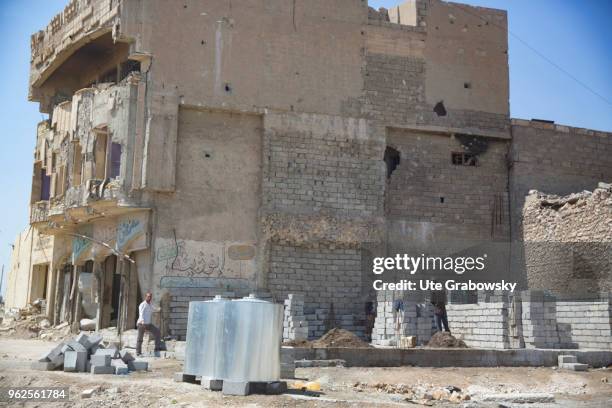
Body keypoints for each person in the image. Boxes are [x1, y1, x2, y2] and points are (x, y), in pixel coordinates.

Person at [136, 292, 162, 356]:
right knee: (140, 339)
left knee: (157, 332)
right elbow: (141, 313)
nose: (149, 298)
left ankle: (157, 348)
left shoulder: (150, 305)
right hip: (141, 324)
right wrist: (142, 322)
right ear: (145, 297)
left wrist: (158, 309)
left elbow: (154, 309)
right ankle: (138, 352)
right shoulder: (142, 304)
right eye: (148, 296)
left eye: (150, 296)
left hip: (148, 324)